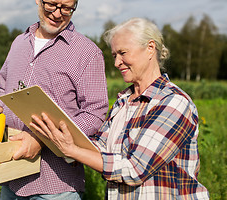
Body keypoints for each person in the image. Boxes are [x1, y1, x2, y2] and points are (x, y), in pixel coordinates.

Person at [0, 0, 109, 200]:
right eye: (51, 4)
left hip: (56, 187)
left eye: (67, 8)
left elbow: (95, 114)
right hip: (10, 178)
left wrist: (42, 139)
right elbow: (2, 90)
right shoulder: (19, 43)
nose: (57, 13)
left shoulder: (87, 53)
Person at [31, 18, 210, 199]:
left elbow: (135, 169)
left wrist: (72, 150)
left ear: (150, 48)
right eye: (114, 55)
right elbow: (99, 147)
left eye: (123, 53)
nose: (117, 63)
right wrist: (58, 134)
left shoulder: (172, 102)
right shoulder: (123, 101)